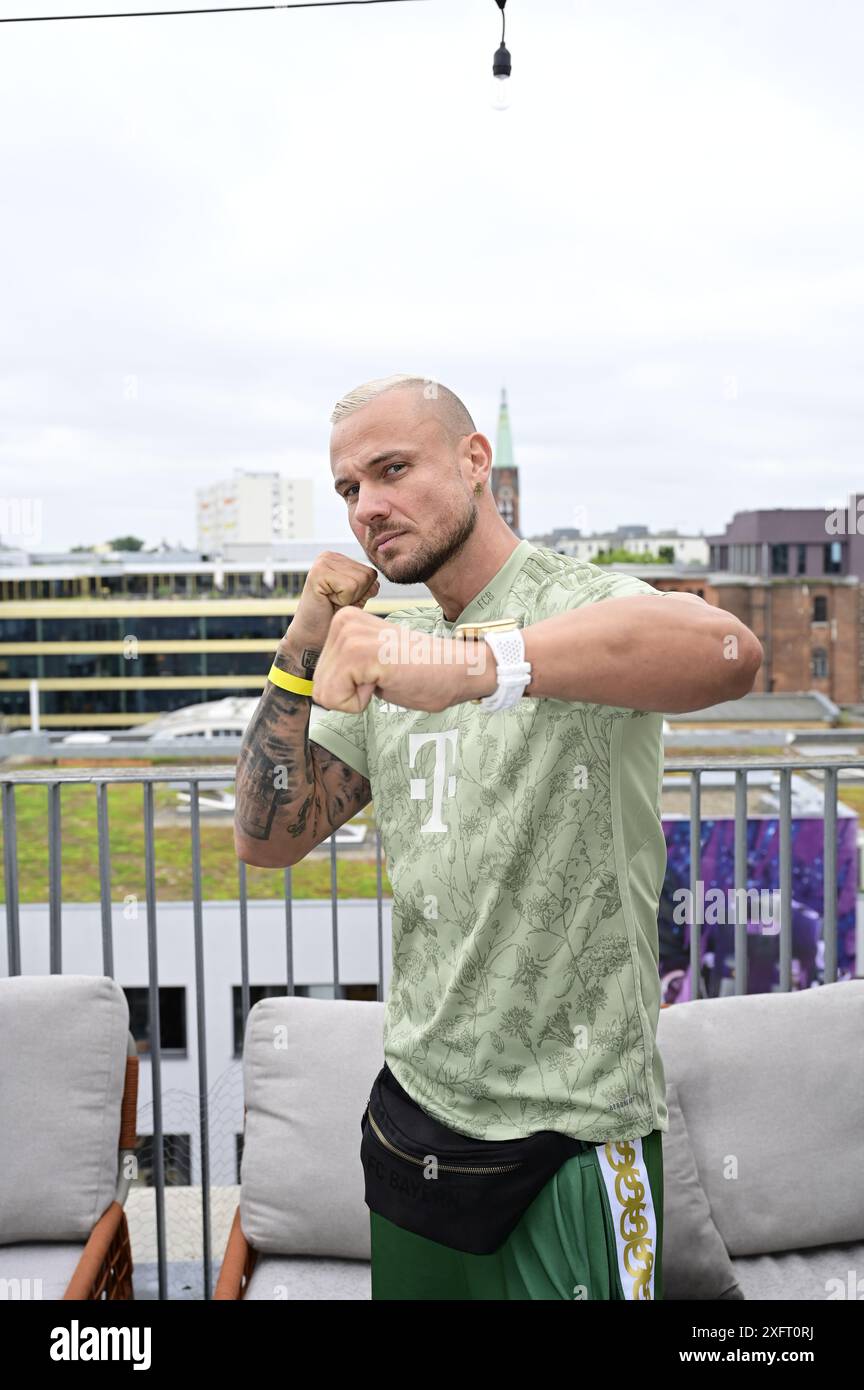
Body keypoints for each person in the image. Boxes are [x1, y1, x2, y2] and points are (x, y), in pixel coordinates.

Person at [234, 373, 763, 1300]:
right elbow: (268, 836)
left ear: (477, 462)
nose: (369, 506)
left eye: (394, 469)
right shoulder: (386, 642)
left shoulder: (579, 604)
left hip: (570, 1135)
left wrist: (479, 667)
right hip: (415, 1113)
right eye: (350, 488)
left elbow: (731, 655)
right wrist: (310, 629)